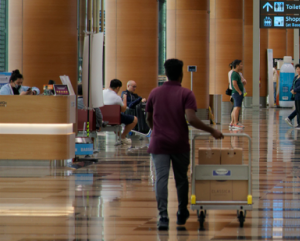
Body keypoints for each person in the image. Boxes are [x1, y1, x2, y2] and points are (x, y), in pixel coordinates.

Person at [146, 58, 223, 230]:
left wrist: (157, 131)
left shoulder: (154, 93)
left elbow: (148, 118)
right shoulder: (186, 94)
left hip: (159, 143)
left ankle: (163, 216)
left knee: (161, 178)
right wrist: (212, 131)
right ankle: (181, 212)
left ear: (165, 74)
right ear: (181, 74)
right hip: (179, 142)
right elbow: (191, 119)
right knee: (181, 179)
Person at [103, 79, 138, 146]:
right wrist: (124, 98)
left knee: (117, 118)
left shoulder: (102, 92)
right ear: (118, 87)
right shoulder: (117, 97)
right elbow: (123, 109)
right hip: (113, 119)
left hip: (101, 118)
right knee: (134, 119)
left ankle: (121, 137)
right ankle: (122, 136)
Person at [228, 60, 245, 130]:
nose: (242, 66)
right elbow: (234, 83)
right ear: (237, 65)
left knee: (236, 108)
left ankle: (232, 123)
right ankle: (236, 123)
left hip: (237, 93)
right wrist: (239, 91)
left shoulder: (237, 73)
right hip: (237, 93)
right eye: (241, 64)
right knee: (237, 108)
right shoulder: (234, 73)